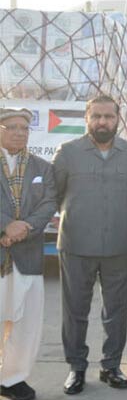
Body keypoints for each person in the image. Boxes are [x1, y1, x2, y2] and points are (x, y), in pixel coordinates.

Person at [52, 95, 127, 395]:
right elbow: (56, 193)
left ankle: (111, 366)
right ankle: (76, 367)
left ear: (118, 119)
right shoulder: (67, 152)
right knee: (75, 311)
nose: (102, 122)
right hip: (76, 245)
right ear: (87, 119)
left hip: (119, 245)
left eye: (108, 116)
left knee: (116, 310)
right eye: (96, 116)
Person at [0, 108, 57, 400]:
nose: (19, 132)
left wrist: (24, 229)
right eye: (11, 127)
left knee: (26, 323)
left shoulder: (42, 168)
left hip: (28, 254)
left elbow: (48, 203)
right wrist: (4, 227)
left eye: (24, 128)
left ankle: (12, 379)